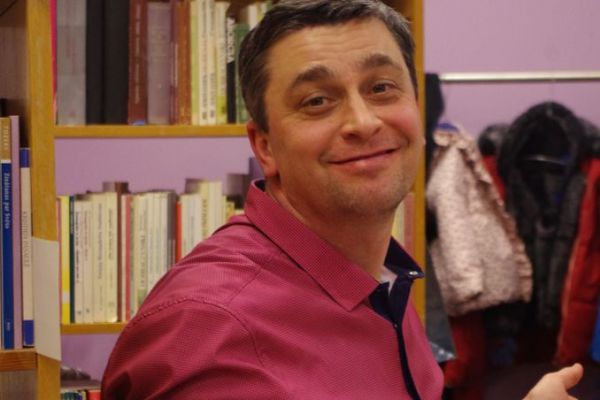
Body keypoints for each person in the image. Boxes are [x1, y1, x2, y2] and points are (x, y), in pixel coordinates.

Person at [101, 1, 584, 399]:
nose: (364, 122)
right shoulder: (214, 332)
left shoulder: (384, 277)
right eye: (317, 101)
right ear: (265, 146)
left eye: (382, 88)